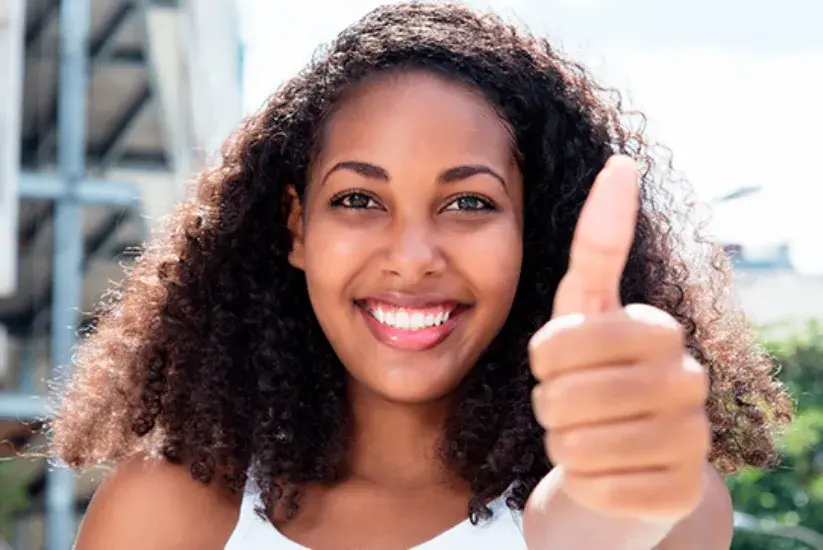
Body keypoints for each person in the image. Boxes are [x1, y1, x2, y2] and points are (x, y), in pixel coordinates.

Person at [50, 3, 791, 549]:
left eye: (469, 202)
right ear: (297, 227)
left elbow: (602, 527)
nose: (411, 256)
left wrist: (618, 494)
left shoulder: (658, 508)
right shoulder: (166, 515)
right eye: (357, 199)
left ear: (533, 234)